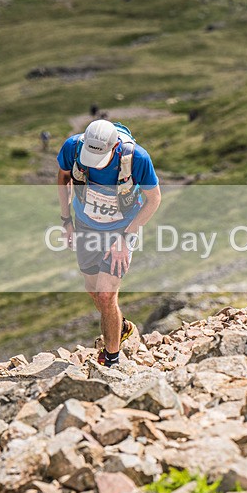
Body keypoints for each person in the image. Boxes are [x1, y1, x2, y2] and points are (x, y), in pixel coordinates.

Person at [57, 119, 161, 367]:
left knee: (105, 293)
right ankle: (121, 326)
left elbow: (154, 199)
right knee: (93, 290)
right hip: (85, 225)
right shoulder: (72, 148)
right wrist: (65, 220)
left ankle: (112, 359)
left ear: (114, 148)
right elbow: (63, 179)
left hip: (121, 229)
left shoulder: (137, 158)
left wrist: (125, 238)